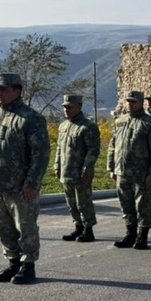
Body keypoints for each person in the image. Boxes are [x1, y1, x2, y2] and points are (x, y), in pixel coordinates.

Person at [0, 72, 49, 285]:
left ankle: (28, 266)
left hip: (20, 187)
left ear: (17, 91)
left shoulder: (31, 119)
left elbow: (40, 155)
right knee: (1, 227)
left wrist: (32, 183)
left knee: (26, 227)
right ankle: (13, 263)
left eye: (4, 89)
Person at [107, 91, 151, 250]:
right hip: (122, 171)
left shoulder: (149, 123)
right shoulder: (120, 121)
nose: (130, 104)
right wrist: (111, 167)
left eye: (134, 102)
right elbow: (113, 145)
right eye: (128, 101)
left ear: (141, 103)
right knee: (126, 205)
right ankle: (130, 234)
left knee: (143, 206)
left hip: (141, 173)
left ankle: (142, 237)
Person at [55, 95, 101, 243]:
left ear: (79, 107)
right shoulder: (63, 126)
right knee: (71, 203)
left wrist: (87, 170)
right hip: (66, 171)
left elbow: (93, 150)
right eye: (64, 107)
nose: (66, 110)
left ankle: (88, 229)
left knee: (83, 203)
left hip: (80, 173)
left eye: (69, 107)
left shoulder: (87, 127)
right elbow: (59, 148)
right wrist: (57, 166)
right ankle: (78, 227)